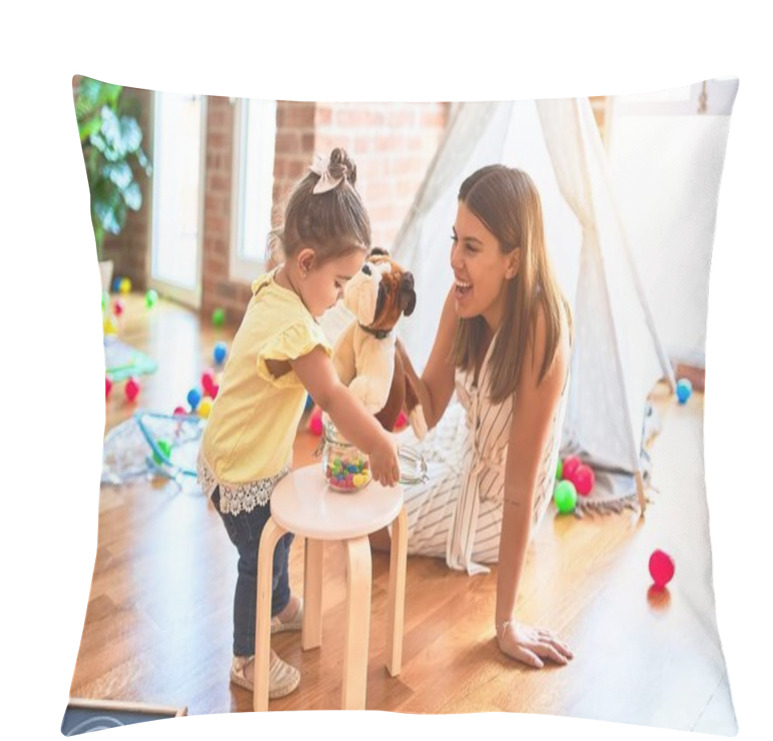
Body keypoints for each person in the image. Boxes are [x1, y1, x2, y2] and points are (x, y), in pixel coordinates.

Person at [197, 148, 400, 699]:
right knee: (257, 557)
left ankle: (282, 606)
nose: (339, 297)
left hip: (236, 452)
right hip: (243, 469)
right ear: (306, 262)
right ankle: (246, 655)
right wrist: (379, 441)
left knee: (277, 536)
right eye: (338, 283)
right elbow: (332, 396)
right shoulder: (296, 332)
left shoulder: (276, 287)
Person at [394, 164, 575, 669]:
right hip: (462, 441)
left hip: (501, 497)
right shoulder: (464, 301)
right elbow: (428, 405)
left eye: (471, 248)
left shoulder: (543, 329)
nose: (455, 259)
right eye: (456, 240)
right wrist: (386, 345)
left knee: (374, 523)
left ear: (513, 261)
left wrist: (505, 625)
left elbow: (518, 490)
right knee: (362, 473)